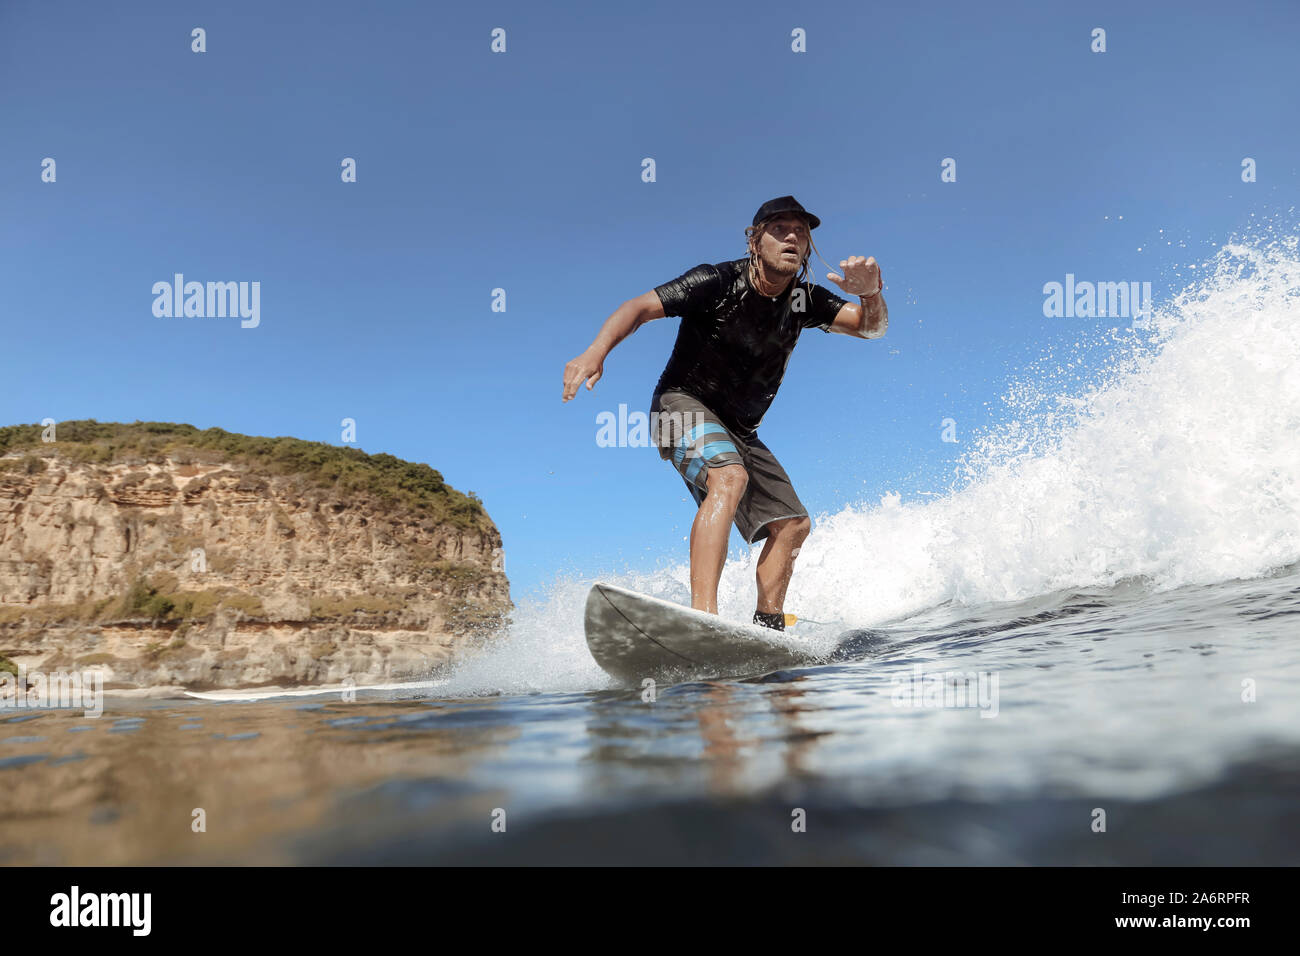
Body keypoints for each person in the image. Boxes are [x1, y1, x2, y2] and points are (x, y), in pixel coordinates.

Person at [562, 196, 888, 628]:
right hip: (679, 405)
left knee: (793, 523)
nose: (793, 236)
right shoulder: (716, 281)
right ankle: (704, 618)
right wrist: (596, 351)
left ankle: (767, 626)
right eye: (780, 228)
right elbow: (638, 308)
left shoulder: (803, 301)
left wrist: (870, 293)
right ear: (755, 240)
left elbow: (871, 327)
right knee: (728, 476)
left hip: (741, 431)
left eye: (802, 231)